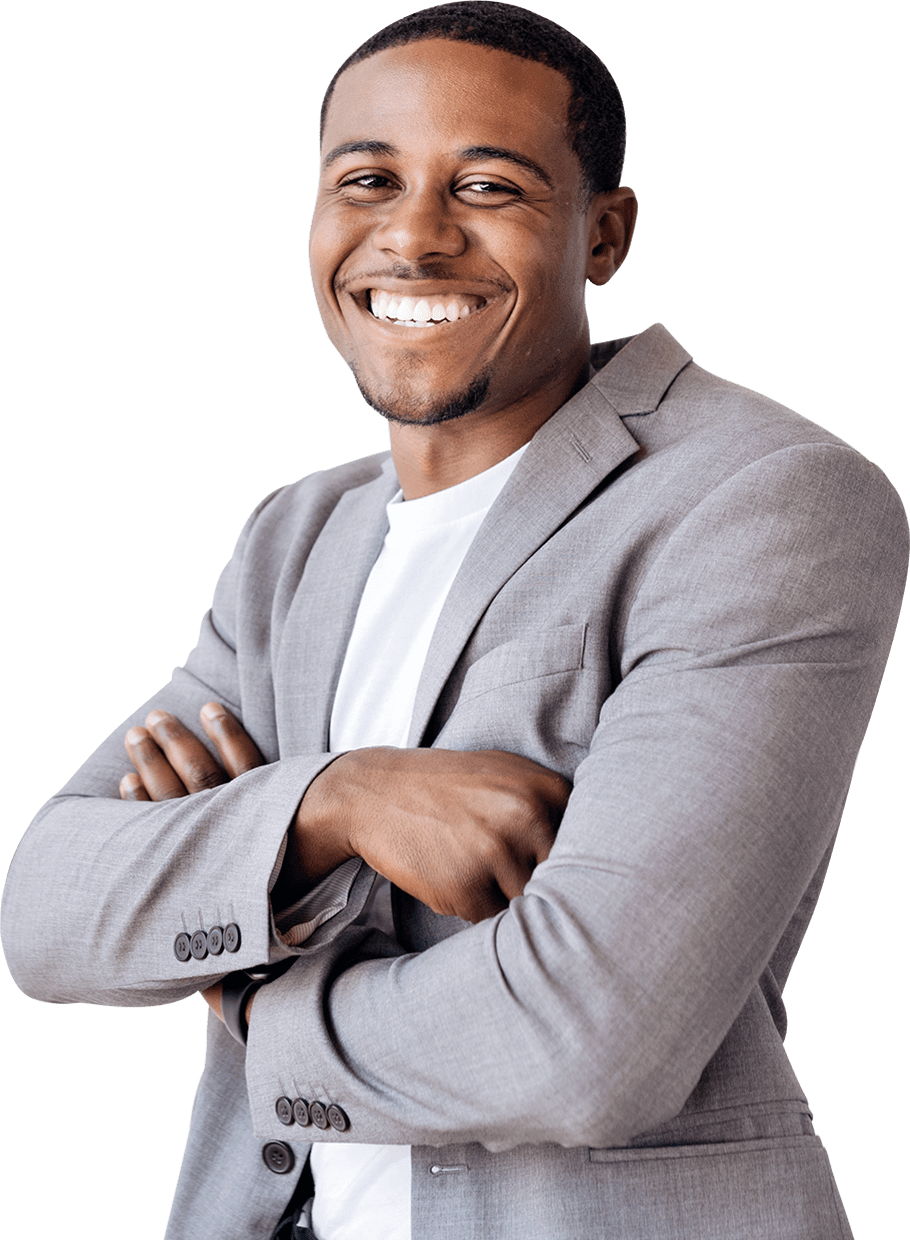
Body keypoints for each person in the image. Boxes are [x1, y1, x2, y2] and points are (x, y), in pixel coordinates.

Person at [3, 4, 906, 1237]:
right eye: (367, 181)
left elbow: (589, 1038)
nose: (414, 237)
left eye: (487, 186)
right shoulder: (295, 536)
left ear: (604, 235)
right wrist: (334, 803)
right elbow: (46, 911)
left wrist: (257, 990)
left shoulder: (759, 497)